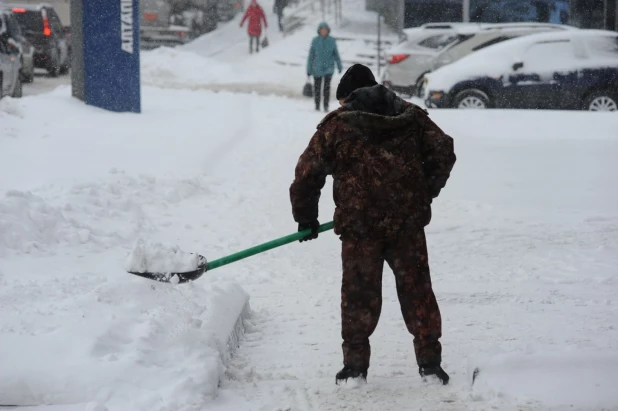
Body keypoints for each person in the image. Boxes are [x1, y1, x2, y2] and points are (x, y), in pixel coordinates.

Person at [289, 64, 456, 385]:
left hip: (359, 227)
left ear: (347, 98)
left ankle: (354, 367)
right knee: (417, 289)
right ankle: (430, 363)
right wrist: (423, 191)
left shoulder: (336, 126)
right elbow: (443, 152)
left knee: (358, 294)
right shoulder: (412, 118)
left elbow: (306, 175)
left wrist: (306, 218)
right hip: (406, 224)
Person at [307, 22, 343, 112]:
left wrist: (339, 66)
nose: (323, 32)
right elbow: (311, 56)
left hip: (329, 68)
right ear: (319, 31)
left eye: (325, 30)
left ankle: (326, 105)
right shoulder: (315, 41)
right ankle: (317, 105)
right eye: (322, 30)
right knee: (317, 88)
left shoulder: (332, 41)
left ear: (328, 31)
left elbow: (336, 55)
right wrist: (309, 69)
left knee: (326, 88)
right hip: (317, 68)